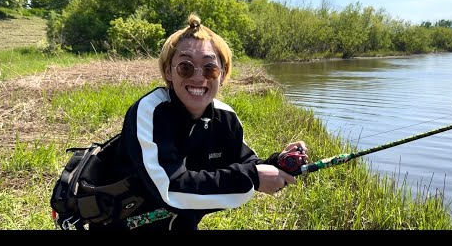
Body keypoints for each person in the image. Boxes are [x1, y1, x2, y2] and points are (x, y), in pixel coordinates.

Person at [90, 13, 308, 230]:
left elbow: (246, 164)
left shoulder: (226, 117)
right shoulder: (150, 112)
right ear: (168, 72)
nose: (198, 77)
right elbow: (170, 189)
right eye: (185, 67)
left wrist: (276, 164)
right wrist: (253, 177)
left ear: (222, 75)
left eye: (210, 68)